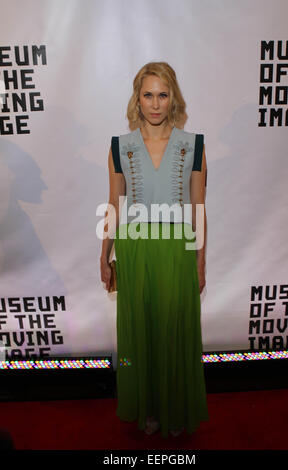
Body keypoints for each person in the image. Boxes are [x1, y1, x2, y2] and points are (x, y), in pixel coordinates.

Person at [100, 62, 209, 438]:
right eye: (148, 94)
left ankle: (174, 407)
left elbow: (198, 206)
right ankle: (147, 406)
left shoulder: (192, 144)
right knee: (138, 332)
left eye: (163, 94)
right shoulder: (120, 146)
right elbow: (114, 204)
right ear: (137, 98)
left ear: (173, 98)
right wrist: (105, 255)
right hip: (135, 250)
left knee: (175, 329)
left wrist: (200, 261)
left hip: (177, 249)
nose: (156, 103)